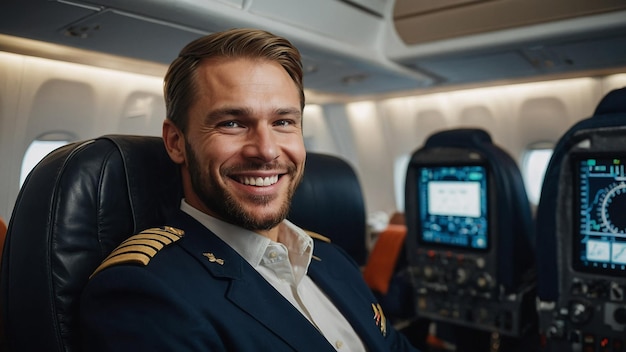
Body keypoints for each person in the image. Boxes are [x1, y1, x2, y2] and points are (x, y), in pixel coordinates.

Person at [80, 28, 420, 352]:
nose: (267, 150)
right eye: (232, 123)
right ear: (176, 142)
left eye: (283, 122)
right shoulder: (147, 292)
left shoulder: (332, 259)